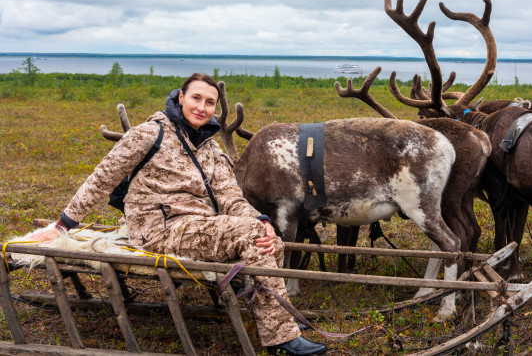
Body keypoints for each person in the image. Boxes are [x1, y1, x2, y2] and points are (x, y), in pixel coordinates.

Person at [32, 73, 327, 355]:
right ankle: (282, 339)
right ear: (181, 97)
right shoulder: (149, 134)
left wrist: (260, 220)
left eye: (209, 102)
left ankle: (276, 316)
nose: (202, 107)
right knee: (252, 236)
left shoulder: (211, 149)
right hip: (158, 230)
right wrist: (63, 225)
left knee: (268, 237)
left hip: (200, 226)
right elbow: (102, 179)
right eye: (196, 98)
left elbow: (231, 198)